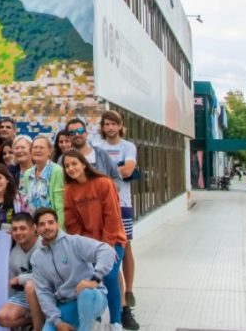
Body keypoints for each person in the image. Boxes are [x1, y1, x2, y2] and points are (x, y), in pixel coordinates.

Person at [63, 150, 127, 329]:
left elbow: (112, 217)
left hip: (112, 241)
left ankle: (116, 321)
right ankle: (95, 317)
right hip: (88, 246)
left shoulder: (104, 183)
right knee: (88, 280)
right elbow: (72, 222)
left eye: (74, 164)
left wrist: (106, 247)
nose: (71, 168)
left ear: (84, 164)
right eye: (67, 166)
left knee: (110, 276)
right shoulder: (69, 190)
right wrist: (83, 248)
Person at [30, 207, 116, 331]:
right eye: (42, 224)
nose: (47, 227)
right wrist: (57, 321)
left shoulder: (73, 242)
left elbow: (107, 251)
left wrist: (94, 280)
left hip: (93, 297)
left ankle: (87, 327)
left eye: (50, 222)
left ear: (57, 224)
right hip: (69, 304)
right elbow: (44, 293)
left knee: (86, 292)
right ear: (36, 229)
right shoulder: (37, 258)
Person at [95, 110, 140, 330]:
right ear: (102, 127)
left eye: (114, 123)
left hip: (122, 204)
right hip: (101, 206)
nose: (110, 127)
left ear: (120, 126)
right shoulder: (97, 145)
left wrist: (103, 173)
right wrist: (114, 173)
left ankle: (128, 293)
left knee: (125, 248)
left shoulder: (128, 146)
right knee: (109, 255)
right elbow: (92, 171)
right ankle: (117, 302)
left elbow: (129, 168)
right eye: (107, 124)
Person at [0, 212, 43, 331]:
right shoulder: (13, 254)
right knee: (2, 317)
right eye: (15, 229)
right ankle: (35, 318)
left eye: (22, 228)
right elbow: (12, 287)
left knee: (30, 286)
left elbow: (49, 275)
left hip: (49, 291)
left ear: (33, 229)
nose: (18, 232)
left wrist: (20, 279)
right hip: (25, 295)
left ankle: (38, 327)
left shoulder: (44, 245)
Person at [20, 136, 65, 225]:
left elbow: (60, 203)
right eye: (35, 147)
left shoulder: (57, 170)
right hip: (34, 224)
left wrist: (59, 228)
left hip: (51, 224)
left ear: (49, 152)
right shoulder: (27, 174)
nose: (38, 150)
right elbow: (25, 203)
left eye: (41, 147)